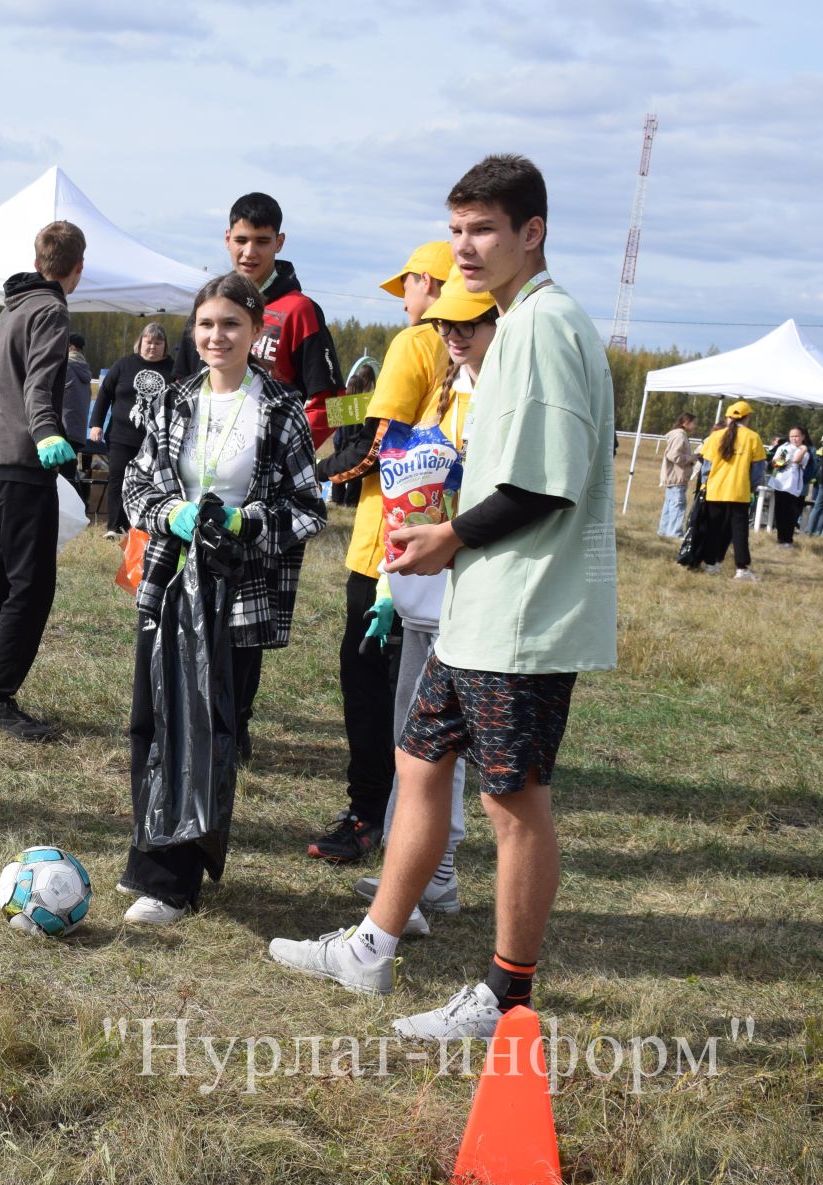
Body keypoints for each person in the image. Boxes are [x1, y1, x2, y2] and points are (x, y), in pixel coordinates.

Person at [271, 154, 618, 1042]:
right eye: (457, 229)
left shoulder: (543, 327)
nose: (465, 246)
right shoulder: (512, 323)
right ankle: (373, 947)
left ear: (530, 233)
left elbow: (543, 488)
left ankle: (506, 999)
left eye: (485, 230)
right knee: (420, 765)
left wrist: (447, 538)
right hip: (477, 609)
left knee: (514, 801)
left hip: (521, 614)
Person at [117, 272, 326, 923]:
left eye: (231, 324)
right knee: (152, 724)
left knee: (207, 733)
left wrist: (249, 524)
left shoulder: (281, 410)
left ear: (256, 332)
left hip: (237, 594)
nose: (217, 336)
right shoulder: (174, 401)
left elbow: (308, 509)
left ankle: (175, 883)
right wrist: (169, 513)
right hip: (170, 584)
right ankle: (150, 855)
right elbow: (134, 486)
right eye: (206, 324)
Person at [350, 270, 498, 938]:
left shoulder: (498, 398)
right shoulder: (449, 392)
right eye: (446, 325)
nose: (454, 337)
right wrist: (389, 585)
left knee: (437, 746)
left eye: (469, 324)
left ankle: (427, 877)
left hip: (469, 595)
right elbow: (420, 497)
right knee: (422, 741)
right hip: (425, 594)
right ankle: (425, 877)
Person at [305, 240, 452, 862]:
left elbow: (376, 443)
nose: (403, 303)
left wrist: (311, 475)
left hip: (384, 549)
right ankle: (415, 826)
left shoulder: (416, 342)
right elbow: (371, 408)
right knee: (420, 693)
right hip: (446, 543)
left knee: (372, 688)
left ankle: (371, 816)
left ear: (426, 281)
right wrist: (327, 403)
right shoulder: (477, 346)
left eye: (407, 289)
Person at [0, 220, 86, 741]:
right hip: (27, 461)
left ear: (37, 257)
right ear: (78, 268)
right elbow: (42, 382)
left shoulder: (12, 308)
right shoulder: (50, 309)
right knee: (31, 586)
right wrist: (48, 431)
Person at [172, 193, 346, 449]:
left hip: (268, 473)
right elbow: (181, 384)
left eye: (262, 241)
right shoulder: (208, 307)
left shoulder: (301, 310)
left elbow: (337, 405)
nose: (249, 252)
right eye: (241, 240)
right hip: (202, 462)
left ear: (279, 242)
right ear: (227, 239)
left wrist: (283, 455)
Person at [91, 323, 173, 536]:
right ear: (140, 343)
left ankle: (141, 528)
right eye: (149, 342)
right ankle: (115, 528)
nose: (153, 347)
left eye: (158, 342)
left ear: (165, 346)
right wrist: (96, 424)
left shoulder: (173, 370)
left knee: (149, 482)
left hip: (156, 440)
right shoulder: (124, 364)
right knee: (118, 478)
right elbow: (104, 394)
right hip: (121, 436)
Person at [697, 402, 766, 580]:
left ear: (729, 417)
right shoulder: (753, 437)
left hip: (715, 489)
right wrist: (751, 487)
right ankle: (741, 568)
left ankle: (711, 564)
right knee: (739, 531)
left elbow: (706, 466)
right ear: (747, 417)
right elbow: (758, 470)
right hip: (739, 491)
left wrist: (706, 484)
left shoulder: (716, 436)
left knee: (714, 528)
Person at [765, 425, 810, 549]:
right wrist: (780, 460)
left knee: (790, 513)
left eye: (797, 436)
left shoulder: (804, 450)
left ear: (803, 437)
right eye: (792, 436)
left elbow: (796, 460)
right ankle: (781, 538)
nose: (794, 439)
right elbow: (777, 464)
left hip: (792, 486)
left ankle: (788, 540)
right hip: (780, 484)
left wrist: (803, 449)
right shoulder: (785, 447)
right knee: (780, 512)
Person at [657, 412, 699, 538]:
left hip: (673, 477)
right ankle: (674, 533)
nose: (695, 426)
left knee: (669, 506)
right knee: (678, 505)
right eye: (694, 423)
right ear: (686, 423)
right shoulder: (680, 436)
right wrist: (691, 458)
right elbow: (673, 455)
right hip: (677, 477)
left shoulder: (678, 435)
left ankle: (664, 532)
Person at [62, 333, 94, 458]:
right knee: (69, 472)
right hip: (78, 432)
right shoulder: (84, 369)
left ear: (72, 347)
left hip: (63, 430)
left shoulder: (66, 367)